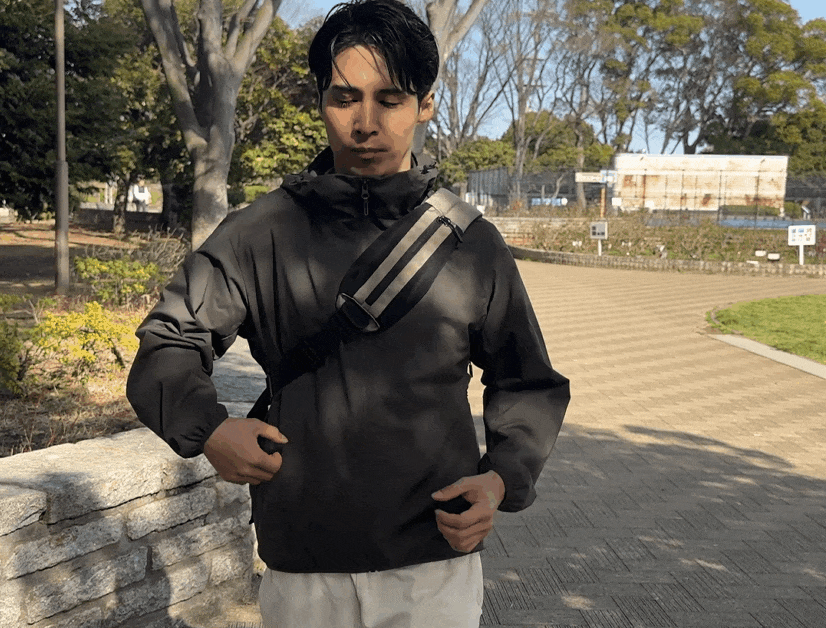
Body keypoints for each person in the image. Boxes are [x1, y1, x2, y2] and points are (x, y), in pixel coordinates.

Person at [126, 1, 570, 626]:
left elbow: (527, 380)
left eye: (390, 99)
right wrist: (210, 429)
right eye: (344, 98)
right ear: (320, 101)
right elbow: (168, 342)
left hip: (432, 564)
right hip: (302, 565)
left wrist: (500, 478)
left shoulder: (470, 243)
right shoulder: (259, 233)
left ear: (425, 104)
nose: (366, 124)